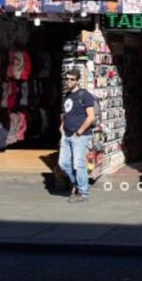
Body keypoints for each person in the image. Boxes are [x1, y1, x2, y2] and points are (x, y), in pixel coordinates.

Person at [59, 69, 96, 203]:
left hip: (80, 135)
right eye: (67, 79)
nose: (69, 81)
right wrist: (62, 126)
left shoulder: (85, 95)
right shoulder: (67, 95)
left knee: (78, 164)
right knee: (63, 163)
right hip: (66, 134)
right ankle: (77, 183)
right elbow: (66, 113)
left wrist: (79, 132)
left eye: (72, 79)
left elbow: (91, 117)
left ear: (78, 80)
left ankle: (83, 192)